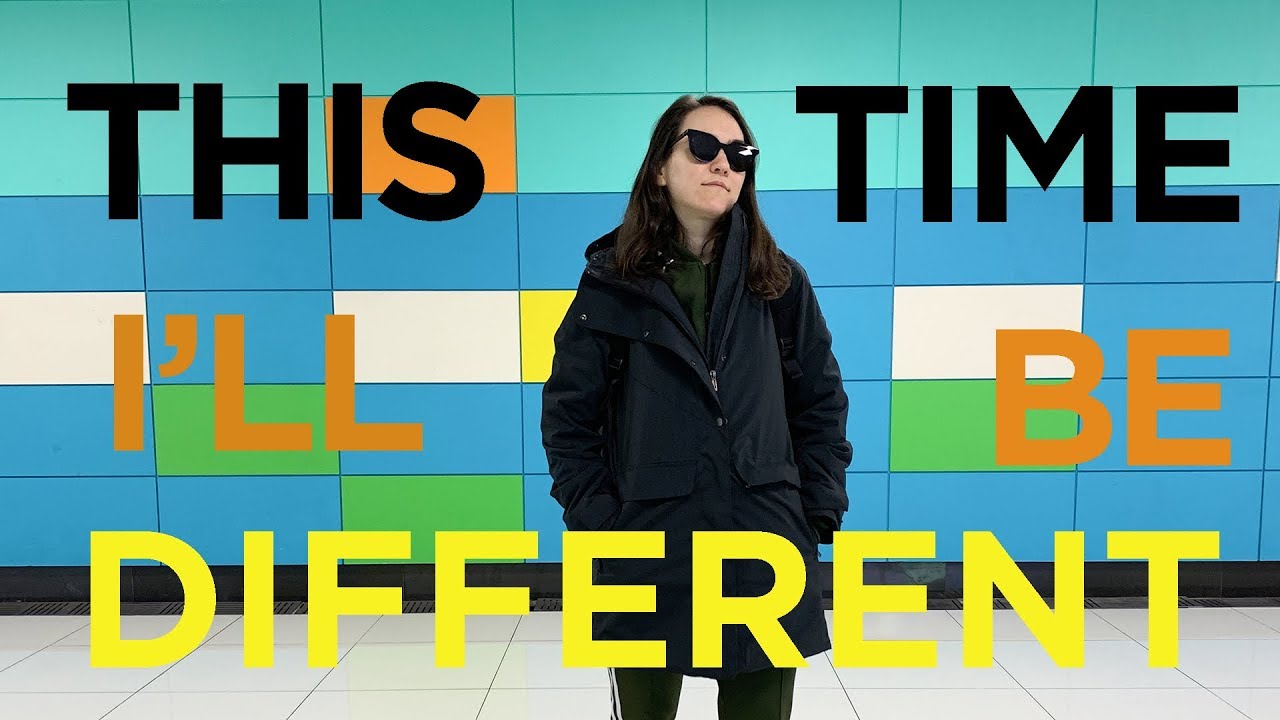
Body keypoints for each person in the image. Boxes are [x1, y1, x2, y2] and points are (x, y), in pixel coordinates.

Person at [541, 94, 853, 720]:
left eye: (739, 153)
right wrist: (600, 521)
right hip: (646, 543)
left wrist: (814, 514)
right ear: (660, 167)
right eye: (703, 147)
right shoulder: (610, 285)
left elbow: (821, 405)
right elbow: (569, 418)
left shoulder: (780, 283)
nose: (723, 164)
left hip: (763, 544)